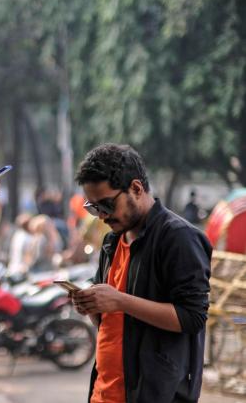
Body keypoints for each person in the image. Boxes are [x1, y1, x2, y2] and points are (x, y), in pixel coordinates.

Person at [71, 143, 211, 403]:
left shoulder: (178, 238)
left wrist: (120, 300)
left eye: (107, 205)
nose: (102, 216)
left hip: (155, 392)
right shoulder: (113, 241)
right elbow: (110, 323)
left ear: (136, 188)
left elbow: (192, 317)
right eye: (94, 208)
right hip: (104, 390)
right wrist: (91, 305)